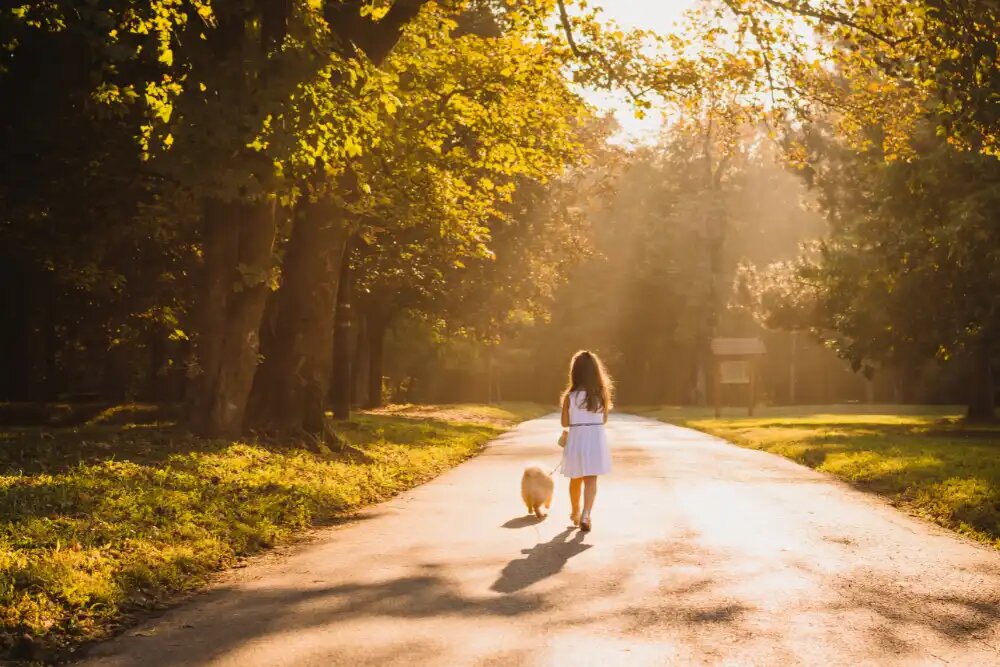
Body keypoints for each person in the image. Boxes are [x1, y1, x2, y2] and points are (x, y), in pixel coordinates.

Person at [559, 349, 613, 532]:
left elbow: (564, 423)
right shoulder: (601, 395)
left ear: (575, 372)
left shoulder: (570, 397)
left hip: (577, 437)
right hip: (595, 438)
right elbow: (604, 420)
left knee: (576, 478)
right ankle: (586, 514)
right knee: (591, 479)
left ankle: (574, 511)